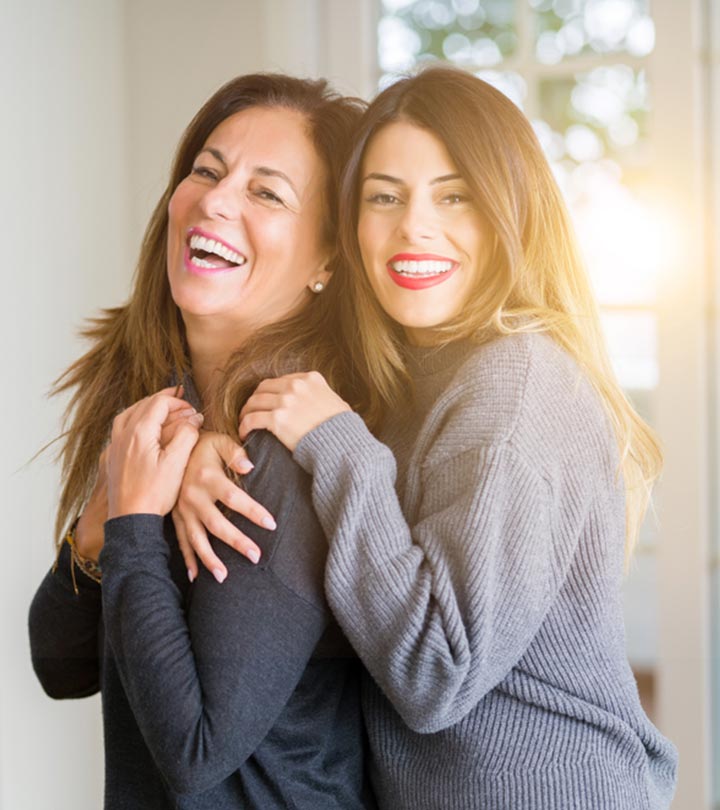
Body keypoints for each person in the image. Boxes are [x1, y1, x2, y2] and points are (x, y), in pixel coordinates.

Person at [177, 67, 678, 809]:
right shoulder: (405, 375)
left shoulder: (514, 386)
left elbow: (435, 672)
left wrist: (339, 446)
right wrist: (200, 449)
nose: (414, 225)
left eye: (454, 196)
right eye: (385, 196)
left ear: (512, 215)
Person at [28, 73, 377, 809]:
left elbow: (194, 753)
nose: (216, 201)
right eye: (207, 171)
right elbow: (59, 666)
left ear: (327, 261)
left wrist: (132, 524)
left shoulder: (284, 450)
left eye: (267, 192)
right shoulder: (165, 415)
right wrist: (101, 527)